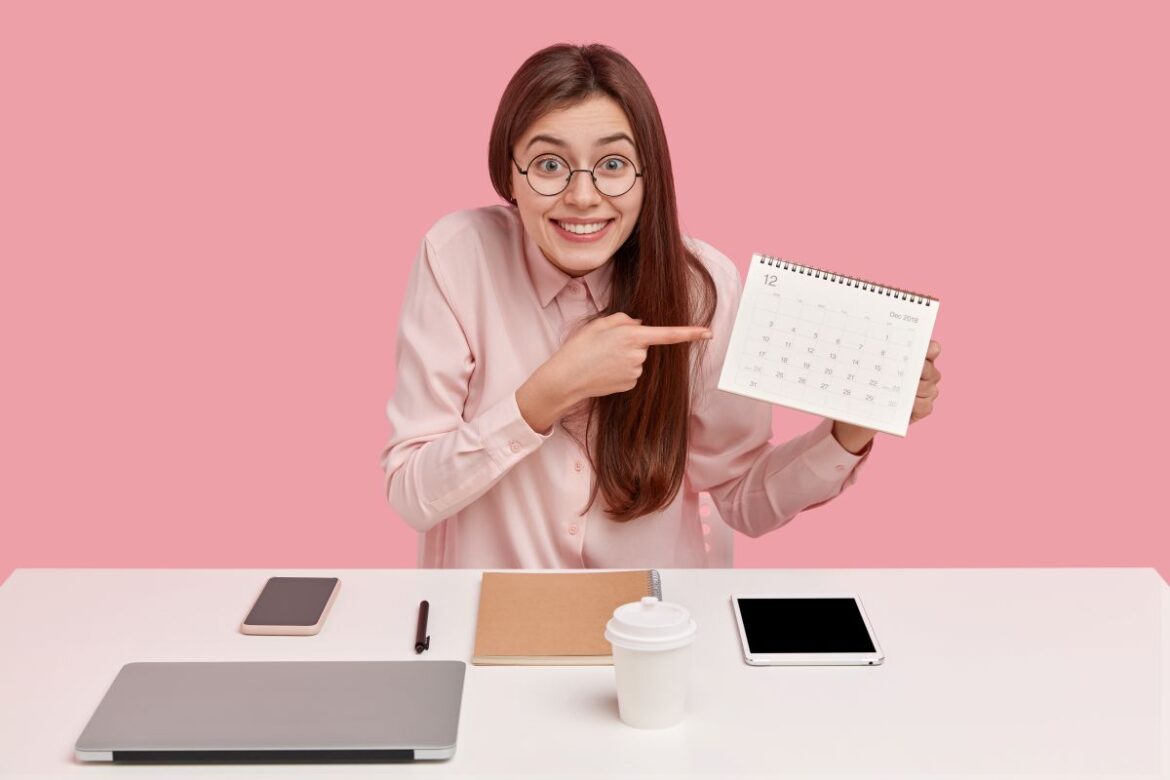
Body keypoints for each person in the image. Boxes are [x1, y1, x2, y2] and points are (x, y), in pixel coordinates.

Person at [379, 43, 942, 569]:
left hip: (651, 628)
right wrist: (548, 392)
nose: (582, 196)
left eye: (613, 165)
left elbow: (744, 498)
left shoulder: (703, 287)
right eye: (550, 165)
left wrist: (848, 431)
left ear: (649, 177)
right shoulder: (456, 257)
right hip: (492, 625)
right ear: (511, 174)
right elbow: (412, 495)